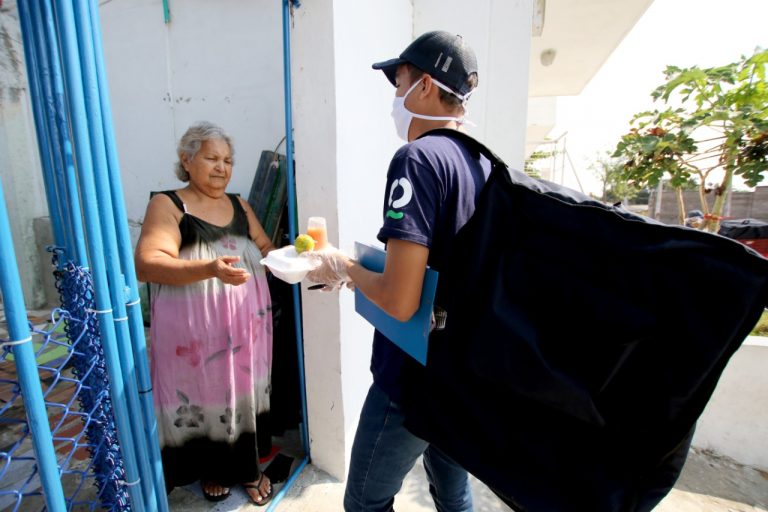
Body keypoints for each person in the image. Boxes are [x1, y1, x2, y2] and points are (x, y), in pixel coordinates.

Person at [308, 31, 489, 511]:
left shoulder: (418, 159)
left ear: (425, 85)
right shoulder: (482, 163)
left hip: (413, 375)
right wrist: (358, 270)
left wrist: (345, 266)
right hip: (462, 369)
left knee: (365, 502)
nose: (395, 98)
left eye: (399, 84)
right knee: (453, 491)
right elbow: (442, 264)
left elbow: (401, 299)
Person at [134, 121, 277, 505]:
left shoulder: (239, 205)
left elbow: (264, 247)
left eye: (228, 160)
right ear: (186, 159)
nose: (222, 167)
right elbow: (148, 264)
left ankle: (247, 468)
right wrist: (210, 268)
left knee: (241, 394)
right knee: (203, 394)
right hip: (193, 338)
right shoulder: (168, 204)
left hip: (247, 329)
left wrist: (301, 259)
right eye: (212, 158)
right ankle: (212, 468)